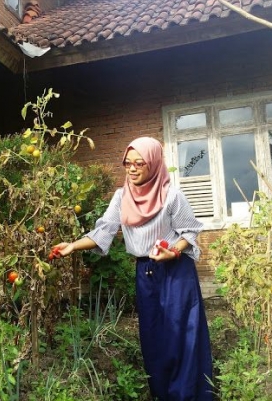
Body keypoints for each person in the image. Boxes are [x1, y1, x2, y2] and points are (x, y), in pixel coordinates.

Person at [54, 136, 213, 401]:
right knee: (153, 337)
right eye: (128, 163)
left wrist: (172, 251)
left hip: (176, 273)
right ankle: (162, 394)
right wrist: (73, 245)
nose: (132, 168)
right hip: (146, 273)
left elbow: (190, 233)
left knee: (181, 336)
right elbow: (103, 231)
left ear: (153, 163)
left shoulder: (172, 196)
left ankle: (187, 395)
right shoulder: (121, 197)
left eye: (140, 163)